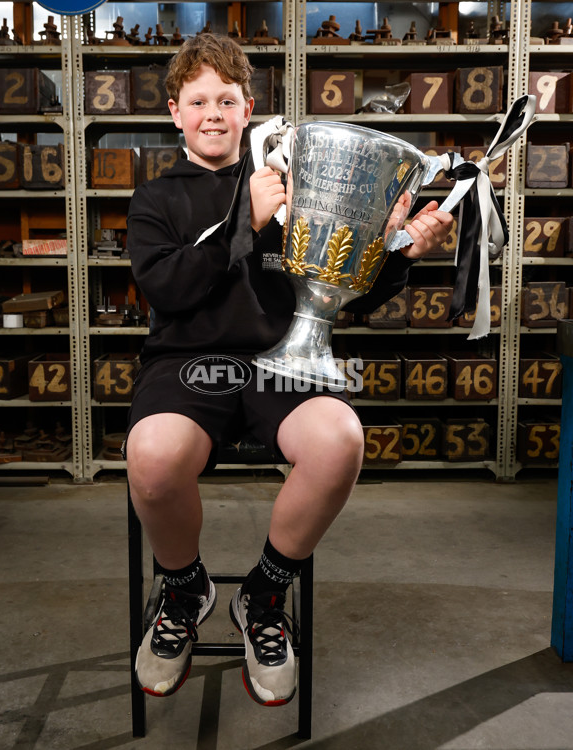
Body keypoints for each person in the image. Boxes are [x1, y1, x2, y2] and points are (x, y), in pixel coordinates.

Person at [125, 32, 452, 706]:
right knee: (153, 460)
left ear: (251, 110)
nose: (212, 113)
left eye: (227, 99)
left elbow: (341, 290)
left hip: (283, 363)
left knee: (341, 441)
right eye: (197, 101)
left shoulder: (299, 184)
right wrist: (243, 221)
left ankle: (266, 596)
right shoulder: (156, 199)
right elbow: (168, 291)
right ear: (174, 113)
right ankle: (185, 592)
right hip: (188, 366)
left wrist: (400, 254)